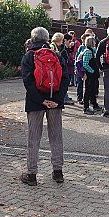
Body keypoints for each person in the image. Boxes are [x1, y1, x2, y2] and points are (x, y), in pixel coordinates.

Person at [20, 27, 68, 185]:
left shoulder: (29, 56)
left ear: (32, 39)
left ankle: (32, 174)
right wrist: (57, 99)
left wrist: (40, 100)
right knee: (56, 136)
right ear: (47, 39)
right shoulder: (57, 55)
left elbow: (28, 82)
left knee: (34, 138)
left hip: (35, 102)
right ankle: (58, 172)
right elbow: (65, 79)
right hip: (55, 100)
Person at [81, 36, 101, 115]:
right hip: (90, 75)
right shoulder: (88, 52)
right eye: (94, 41)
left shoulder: (92, 50)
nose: (95, 43)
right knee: (88, 91)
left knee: (92, 90)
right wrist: (92, 71)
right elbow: (85, 64)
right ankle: (86, 107)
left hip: (93, 75)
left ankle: (94, 104)